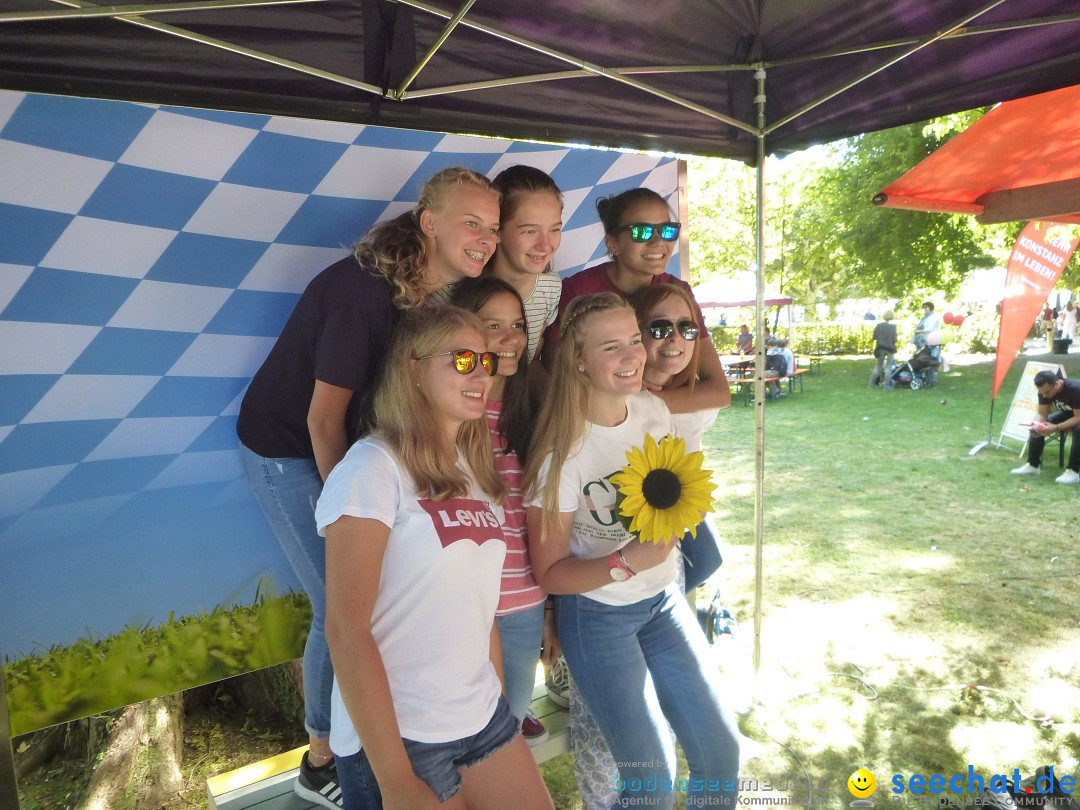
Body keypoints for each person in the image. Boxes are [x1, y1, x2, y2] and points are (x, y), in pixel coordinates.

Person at [236, 167, 500, 807]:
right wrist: (356, 516)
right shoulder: (363, 294)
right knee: (344, 603)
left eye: (493, 228)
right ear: (428, 223)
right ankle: (320, 759)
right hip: (289, 451)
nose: (486, 240)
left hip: (353, 446)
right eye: (472, 223)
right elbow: (322, 422)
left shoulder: (431, 297)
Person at [318, 305, 554, 810]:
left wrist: (494, 694)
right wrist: (395, 781)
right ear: (413, 369)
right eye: (463, 360)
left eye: (487, 362)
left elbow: (479, 609)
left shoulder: (474, 470)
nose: (482, 375)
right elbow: (346, 628)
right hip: (402, 736)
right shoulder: (371, 467)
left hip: (480, 715)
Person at [524, 292, 741, 810]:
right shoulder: (562, 452)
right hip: (598, 617)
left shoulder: (653, 411)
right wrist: (624, 563)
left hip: (663, 600)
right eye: (610, 347)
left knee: (721, 753)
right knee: (652, 783)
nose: (632, 356)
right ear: (579, 361)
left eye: (633, 340)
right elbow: (550, 573)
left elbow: (670, 494)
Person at [449, 277, 558, 745]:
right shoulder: (446, 418)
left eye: (518, 325)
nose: (511, 338)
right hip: (458, 608)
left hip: (523, 604)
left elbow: (547, 525)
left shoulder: (536, 412)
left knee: (506, 733)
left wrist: (549, 610)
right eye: (493, 326)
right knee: (457, 739)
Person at [539, 187, 731, 414]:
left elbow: (719, 391)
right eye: (642, 232)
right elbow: (555, 375)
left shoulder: (678, 292)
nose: (659, 241)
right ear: (612, 243)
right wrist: (625, 399)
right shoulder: (579, 290)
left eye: (667, 230)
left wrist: (640, 404)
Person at [487, 165, 564, 365]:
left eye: (554, 230)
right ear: (497, 231)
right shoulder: (457, 288)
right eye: (530, 231)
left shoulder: (551, 287)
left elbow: (531, 359)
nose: (544, 245)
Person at [1010, 370, 1080, 484]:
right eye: (1041, 393)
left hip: (1078, 416)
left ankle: (1073, 471)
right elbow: (1043, 414)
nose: (1044, 396)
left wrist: (1056, 427)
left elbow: (1078, 418)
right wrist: (1040, 427)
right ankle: (1033, 465)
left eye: (1047, 392)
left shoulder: (1076, 389)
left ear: (1057, 384)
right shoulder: (1043, 391)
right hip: (1071, 414)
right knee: (1037, 427)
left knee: (1078, 430)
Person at [870, 309, 898, 389]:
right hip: (890, 348)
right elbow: (895, 339)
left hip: (880, 347)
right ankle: (886, 385)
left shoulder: (879, 326)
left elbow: (874, 337)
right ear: (892, 317)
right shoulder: (893, 327)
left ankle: (871, 384)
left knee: (878, 366)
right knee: (889, 366)